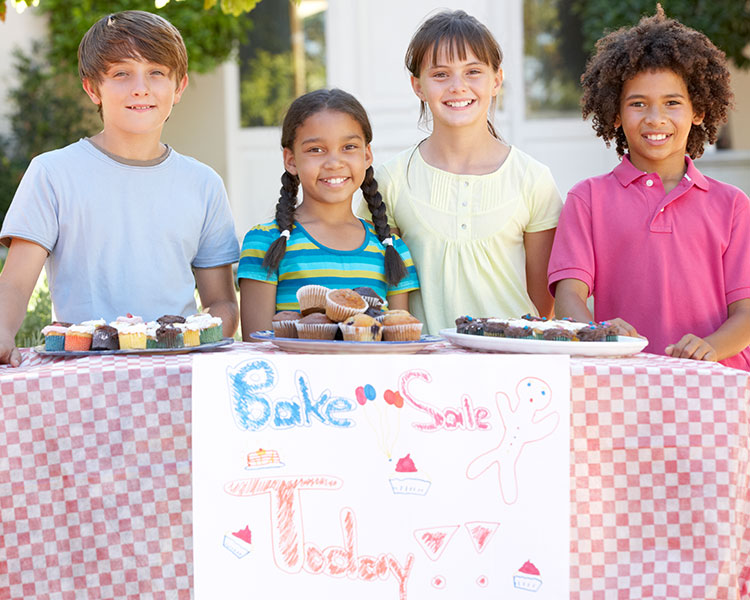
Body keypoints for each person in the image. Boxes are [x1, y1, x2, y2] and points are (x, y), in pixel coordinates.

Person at [0, 10, 240, 367]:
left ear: (179, 87)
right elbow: (16, 285)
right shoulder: (52, 173)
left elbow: (220, 302)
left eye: (156, 72)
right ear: (92, 88)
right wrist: (3, 331)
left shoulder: (203, 183)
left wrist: (205, 348)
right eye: (121, 73)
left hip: (177, 372)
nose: (140, 87)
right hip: (82, 373)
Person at [548, 6, 750, 370]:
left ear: (699, 111)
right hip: (623, 383)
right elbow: (568, 299)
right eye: (637, 104)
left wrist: (709, 348)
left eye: (672, 103)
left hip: (718, 387)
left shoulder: (733, 205)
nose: (655, 118)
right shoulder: (587, 199)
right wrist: (599, 332)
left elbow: (747, 313)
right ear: (614, 113)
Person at [356, 9, 562, 335]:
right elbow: (383, 292)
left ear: (496, 80)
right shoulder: (391, 180)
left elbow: (542, 300)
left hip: (512, 365)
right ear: (418, 86)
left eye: (473, 72)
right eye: (440, 74)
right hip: (424, 366)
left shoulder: (532, 179)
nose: (457, 86)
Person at [238, 89, 419, 338]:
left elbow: (399, 339)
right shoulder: (265, 242)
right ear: (291, 160)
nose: (334, 162)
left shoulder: (391, 249)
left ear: (366, 155)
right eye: (316, 150)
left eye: (349, 147)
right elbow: (255, 346)